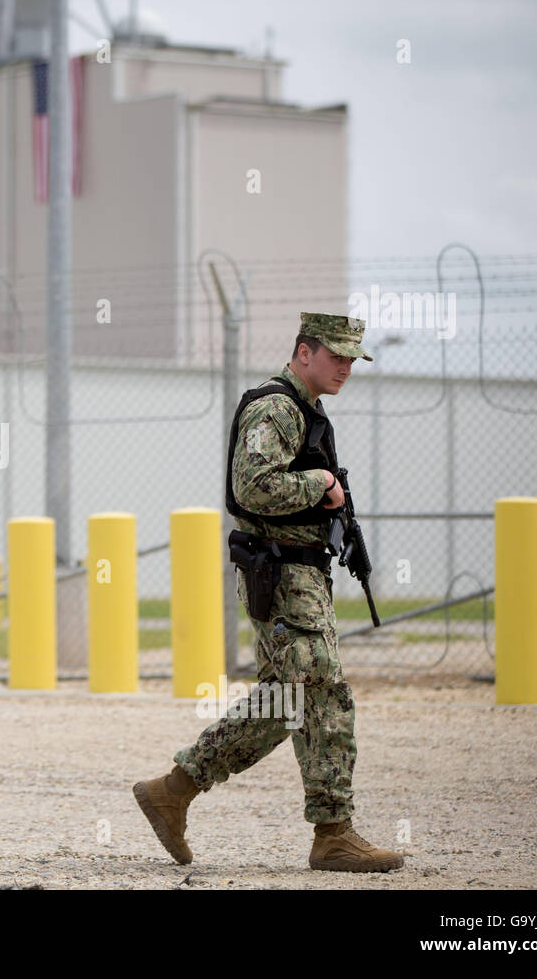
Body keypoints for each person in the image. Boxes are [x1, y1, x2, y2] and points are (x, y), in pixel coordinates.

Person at [132, 312, 405, 872]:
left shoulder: (307, 411)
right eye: (336, 356)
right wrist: (322, 484)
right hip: (283, 576)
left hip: (302, 574)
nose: (346, 368)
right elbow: (250, 486)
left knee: (303, 697)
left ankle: (185, 791)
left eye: (352, 359)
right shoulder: (275, 406)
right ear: (303, 352)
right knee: (308, 690)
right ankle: (318, 828)